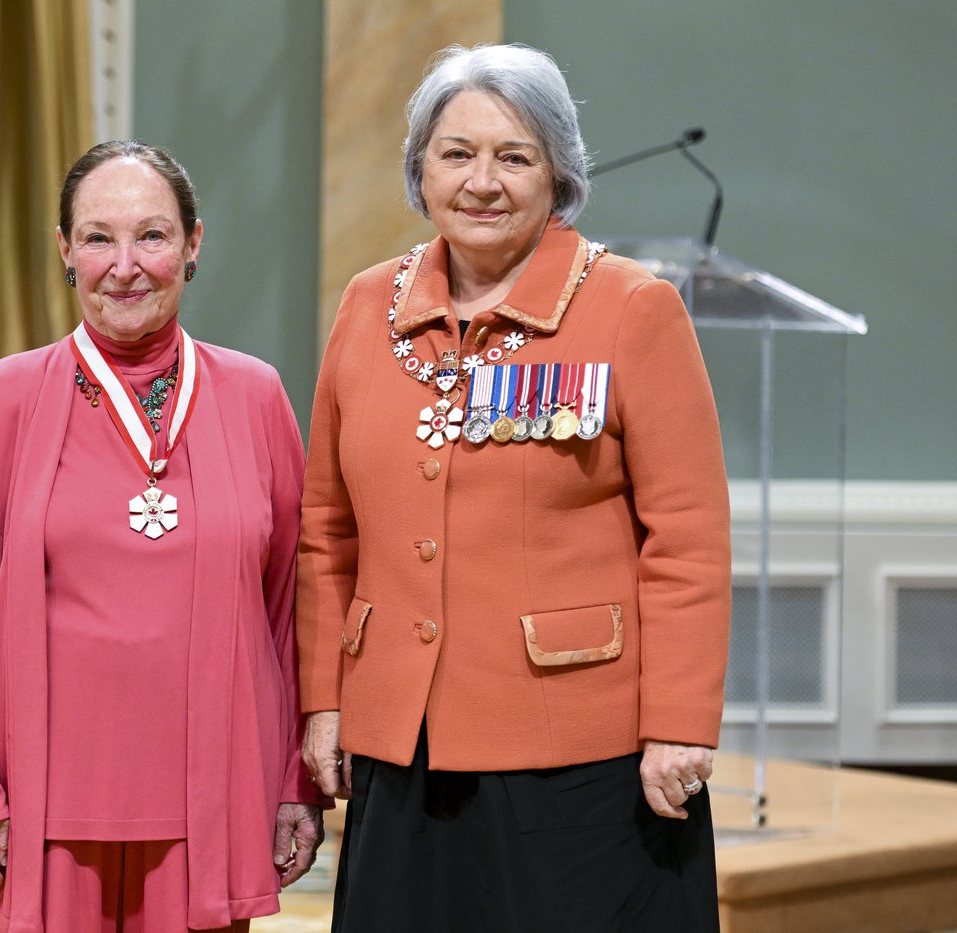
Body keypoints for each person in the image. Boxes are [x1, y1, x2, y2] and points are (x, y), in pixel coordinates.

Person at [296, 44, 731, 931]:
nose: (482, 182)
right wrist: (325, 700)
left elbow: (687, 537)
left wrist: (680, 723)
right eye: (456, 154)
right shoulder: (366, 305)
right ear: (421, 169)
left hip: (580, 757)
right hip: (401, 743)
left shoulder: (632, 307)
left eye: (514, 156)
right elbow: (326, 530)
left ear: (559, 173)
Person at [0, 140, 325, 933]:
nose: (125, 265)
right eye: (99, 238)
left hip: (211, 801)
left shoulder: (255, 396)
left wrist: (294, 783)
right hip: (39, 808)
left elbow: (292, 614)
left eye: (152, 236)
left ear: (193, 244)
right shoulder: (0, 401)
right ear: (65, 250)